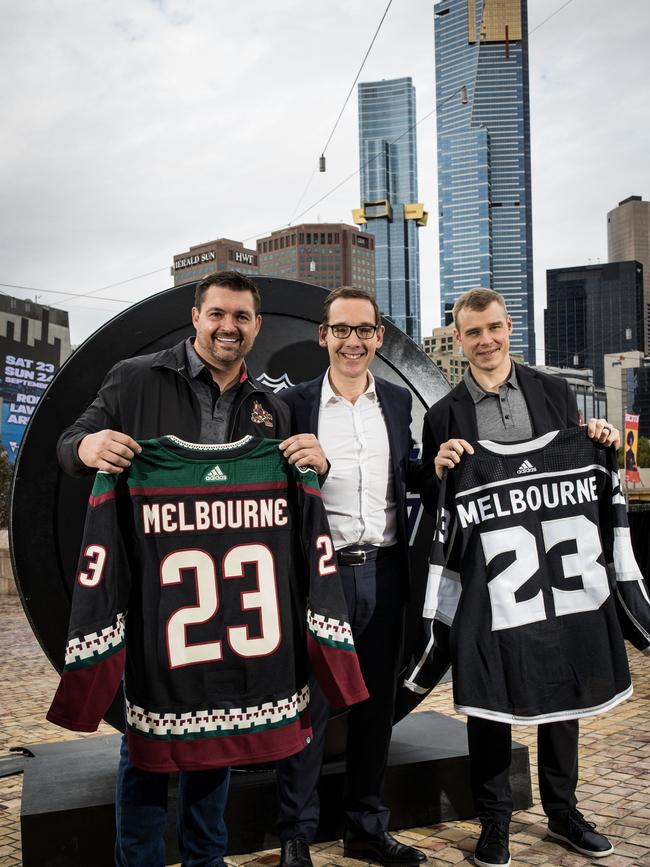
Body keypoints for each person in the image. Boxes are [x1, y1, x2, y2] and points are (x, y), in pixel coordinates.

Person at [56, 270, 328, 867]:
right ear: (196, 315)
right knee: (145, 750)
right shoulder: (134, 379)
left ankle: (208, 861)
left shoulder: (271, 408)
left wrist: (316, 463)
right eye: (217, 314)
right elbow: (70, 442)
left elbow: (292, 498)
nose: (228, 327)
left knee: (219, 743)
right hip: (157, 609)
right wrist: (88, 448)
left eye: (241, 318)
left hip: (232, 612)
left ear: (256, 326)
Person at [418, 287, 621, 867]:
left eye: (494, 328)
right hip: (489, 579)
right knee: (487, 700)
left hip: (554, 569)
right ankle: (494, 821)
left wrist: (601, 439)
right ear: (458, 339)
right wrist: (436, 470)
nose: (485, 341)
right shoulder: (442, 414)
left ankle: (563, 811)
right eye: (473, 332)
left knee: (563, 692)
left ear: (511, 328)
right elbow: (441, 506)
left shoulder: (554, 393)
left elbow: (578, 462)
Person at [275, 287, 426, 867]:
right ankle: (296, 836)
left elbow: (403, 473)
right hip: (322, 576)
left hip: (387, 574)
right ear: (323, 336)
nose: (353, 340)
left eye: (364, 330)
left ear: (378, 337)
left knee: (374, 711)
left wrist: (430, 467)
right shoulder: (296, 404)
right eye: (341, 329)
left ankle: (366, 828)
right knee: (307, 709)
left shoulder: (395, 399)